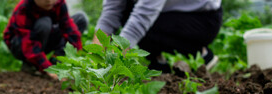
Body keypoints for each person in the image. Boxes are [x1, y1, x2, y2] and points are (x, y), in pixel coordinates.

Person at [93, 0, 223, 73]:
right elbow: (110, 13)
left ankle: (201, 54)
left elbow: (142, 16)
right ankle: (159, 63)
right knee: (126, 10)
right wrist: (94, 60)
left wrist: (114, 64)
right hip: (167, 13)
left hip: (202, 19)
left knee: (137, 21)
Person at [3, 0, 88, 76]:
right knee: (44, 23)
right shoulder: (24, 7)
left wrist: (78, 59)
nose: (49, 1)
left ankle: (56, 61)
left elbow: (69, 30)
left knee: (80, 19)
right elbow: (28, 44)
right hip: (20, 44)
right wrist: (47, 68)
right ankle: (30, 64)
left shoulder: (59, 3)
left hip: (45, 39)